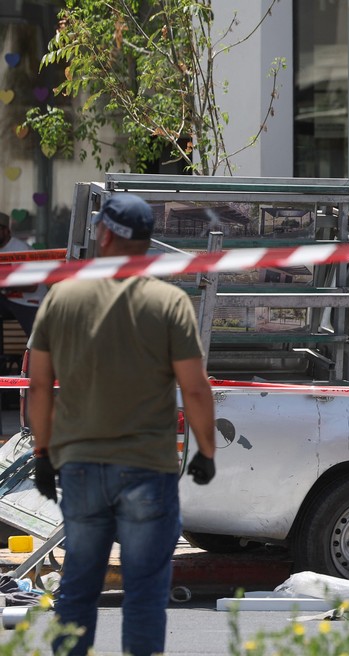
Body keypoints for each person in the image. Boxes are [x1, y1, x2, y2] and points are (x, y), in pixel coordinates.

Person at [28, 193, 217, 656]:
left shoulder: (62, 297)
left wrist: (42, 454)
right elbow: (195, 388)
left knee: (78, 589)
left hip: (81, 467)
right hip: (146, 470)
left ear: (105, 234)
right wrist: (206, 452)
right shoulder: (169, 303)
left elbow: (38, 386)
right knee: (145, 595)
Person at [0, 211, 47, 335]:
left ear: (5, 230)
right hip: (9, 300)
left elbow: (33, 286)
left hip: (30, 301)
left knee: (38, 339)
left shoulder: (21, 249)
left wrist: (6, 286)